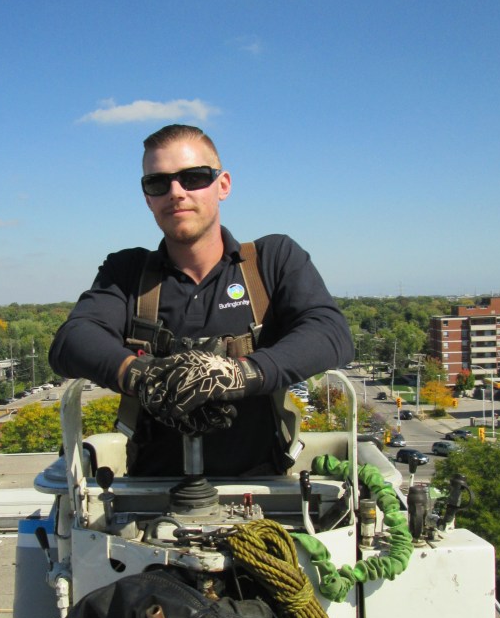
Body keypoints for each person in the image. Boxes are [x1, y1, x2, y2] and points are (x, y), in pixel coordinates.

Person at [49, 124, 354, 476]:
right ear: (148, 198)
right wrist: (143, 376)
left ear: (222, 185)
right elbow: (71, 342)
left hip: (262, 487)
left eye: (193, 177)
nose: (176, 192)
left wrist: (237, 375)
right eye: (158, 183)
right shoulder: (127, 272)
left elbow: (330, 333)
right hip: (150, 491)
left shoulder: (271, 261)